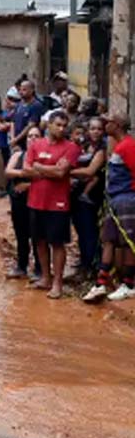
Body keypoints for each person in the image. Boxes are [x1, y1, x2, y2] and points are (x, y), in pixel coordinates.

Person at [25, 110, 81, 299]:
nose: (61, 129)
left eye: (64, 126)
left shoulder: (71, 147)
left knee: (57, 242)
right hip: (35, 200)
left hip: (58, 203)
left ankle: (58, 282)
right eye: (58, 125)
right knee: (39, 240)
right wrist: (51, 168)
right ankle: (45, 277)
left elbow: (61, 173)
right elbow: (27, 169)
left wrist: (39, 167)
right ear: (48, 125)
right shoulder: (36, 144)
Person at [85, 115, 135, 302]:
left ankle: (128, 284)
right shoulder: (118, 146)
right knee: (109, 240)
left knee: (127, 242)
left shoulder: (128, 146)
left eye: (109, 122)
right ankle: (101, 283)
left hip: (126, 198)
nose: (106, 125)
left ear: (118, 125)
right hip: (114, 199)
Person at [70, 116, 106, 281]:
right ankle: (84, 262)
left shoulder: (102, 149)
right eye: (93, 128)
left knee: (89, 230)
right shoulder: (84, 146)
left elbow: (91, 171)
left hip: (92, 195)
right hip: (77, 192)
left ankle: (90, 266)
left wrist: (65, 172)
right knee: (80, 229)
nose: (96, 132)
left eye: (99, 129)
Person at [4, 135, 39, 281]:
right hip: (18, 200)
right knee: (20, 234)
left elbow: (46, 176)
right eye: (30, 136)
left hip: (37, 199)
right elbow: (8, 171)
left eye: (36, 136)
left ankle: (40, 268)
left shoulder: (42, 156)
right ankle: (21, 266)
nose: (32, 139)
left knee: (38, 235)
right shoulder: (18, 154)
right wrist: (25, 173)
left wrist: (28, 185)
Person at [10, 79, 45, 151]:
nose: (21, 92)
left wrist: (16, 139)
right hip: (15, 142)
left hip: (28, 142)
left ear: (32, 90)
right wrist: (13, 138)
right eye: (20, 90)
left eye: (24, 90)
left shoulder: (36, 105)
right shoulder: (19, 104)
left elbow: (31, 125)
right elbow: (13, 122)